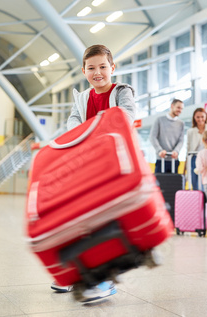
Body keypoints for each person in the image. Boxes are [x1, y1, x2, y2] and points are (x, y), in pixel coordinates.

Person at [51, 44, 136, 302]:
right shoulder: (83, 98)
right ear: (83, 71)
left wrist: (96, 129)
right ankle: (76, 276)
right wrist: (81, 134)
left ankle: (106, 280)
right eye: (91, 68)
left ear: (112, 68)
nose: (97, 72)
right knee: (79, 221)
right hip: (87, 167)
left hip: (114, 167)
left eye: (102, 67)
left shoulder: (122, 92)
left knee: (106, 223)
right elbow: (73, 122)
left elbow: (127, 116)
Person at [187, 107, 207, 190]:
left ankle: (206, 201)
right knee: (196, 183)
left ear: (206, 117)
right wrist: (186, 166)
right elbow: (188, 148)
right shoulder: (191, 131)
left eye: (202, 116)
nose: (200, 119)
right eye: (198, 117)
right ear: (194, 118)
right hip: (195, 158)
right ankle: (198, 201)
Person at [149, 99, 185, 173]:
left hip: (174, 160)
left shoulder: (181, 123)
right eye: (178, 107)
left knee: (173, 184)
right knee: (160, 183)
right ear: (172, 106)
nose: (180, 110)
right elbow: (153, 137)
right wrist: (160, 150)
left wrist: (176, 151)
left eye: (181, 108)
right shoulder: (159, 120)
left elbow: (181, 140)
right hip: (161, 159)